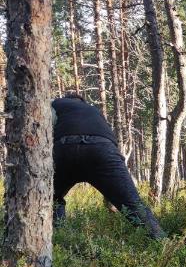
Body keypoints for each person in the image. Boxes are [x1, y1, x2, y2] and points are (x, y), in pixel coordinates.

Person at [52, 92, 166, 240]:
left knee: (53, 199)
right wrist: (112, 200)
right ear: (81, 101)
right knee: (133, 205)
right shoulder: (93, 111)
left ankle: (60, 240)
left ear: (66, 99)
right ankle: (163, 244)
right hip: (103, 151)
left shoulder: (55, 103)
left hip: (64, 149)